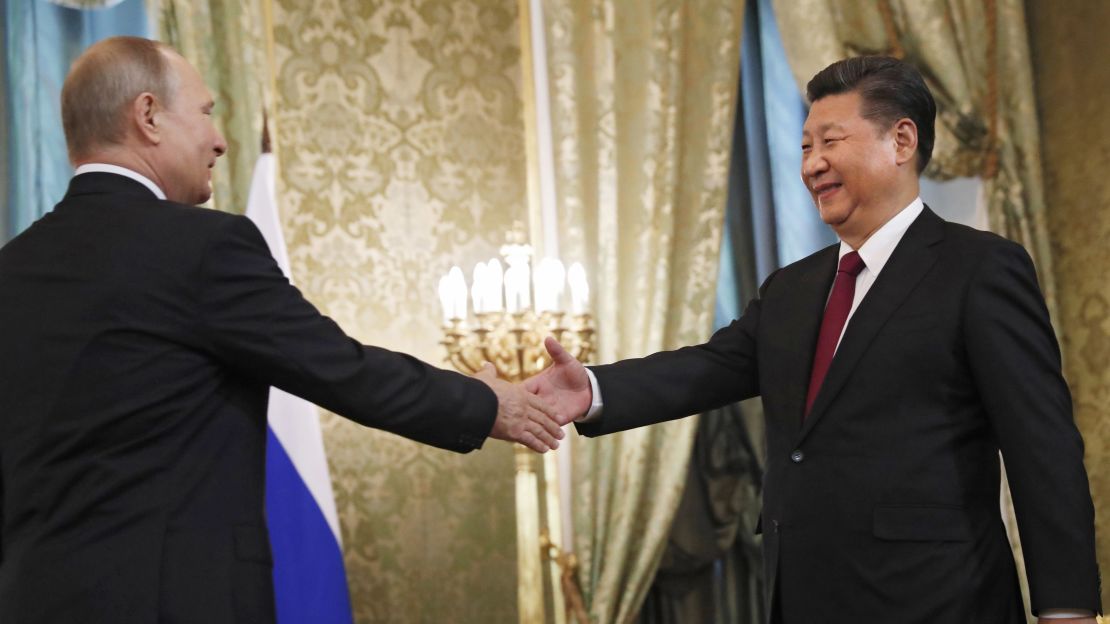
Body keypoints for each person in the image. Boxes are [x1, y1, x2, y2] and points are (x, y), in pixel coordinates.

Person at [0, 36, 565, 623]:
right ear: (148, 116)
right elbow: (341, 368)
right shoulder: (203, 246)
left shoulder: (10, 270)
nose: (219, 140)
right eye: (204, 112)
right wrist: (484, 403)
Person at [525, 56, 1101, 623]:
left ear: (901, 141)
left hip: (936, 598)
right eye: (805, 147)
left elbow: (1042, 449)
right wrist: (594, 388)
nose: (812, 165)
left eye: (830, 141)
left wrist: (1067, 608)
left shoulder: (979, 269)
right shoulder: (790, 288)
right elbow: (709, 367)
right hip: (802, 596)